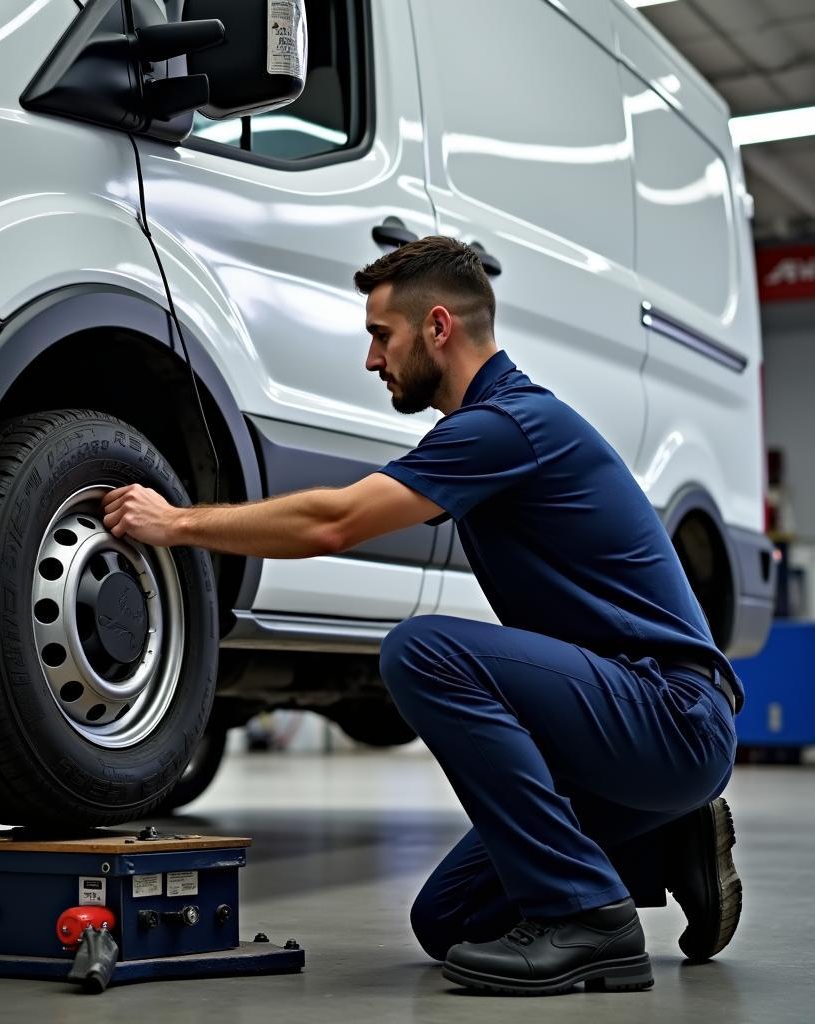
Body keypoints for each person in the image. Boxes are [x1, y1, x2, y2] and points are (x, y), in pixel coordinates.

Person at [102, 236, 742, 996]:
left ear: (438, 326)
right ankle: (668, 835)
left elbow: (334, 523)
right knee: (448, 920)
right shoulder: (496, 428)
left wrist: (175, 524)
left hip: (672, 713)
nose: (373, 361)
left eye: (381, 336)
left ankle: (592, 921)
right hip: (632, 732)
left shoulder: (505, 425)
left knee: (422, 650)